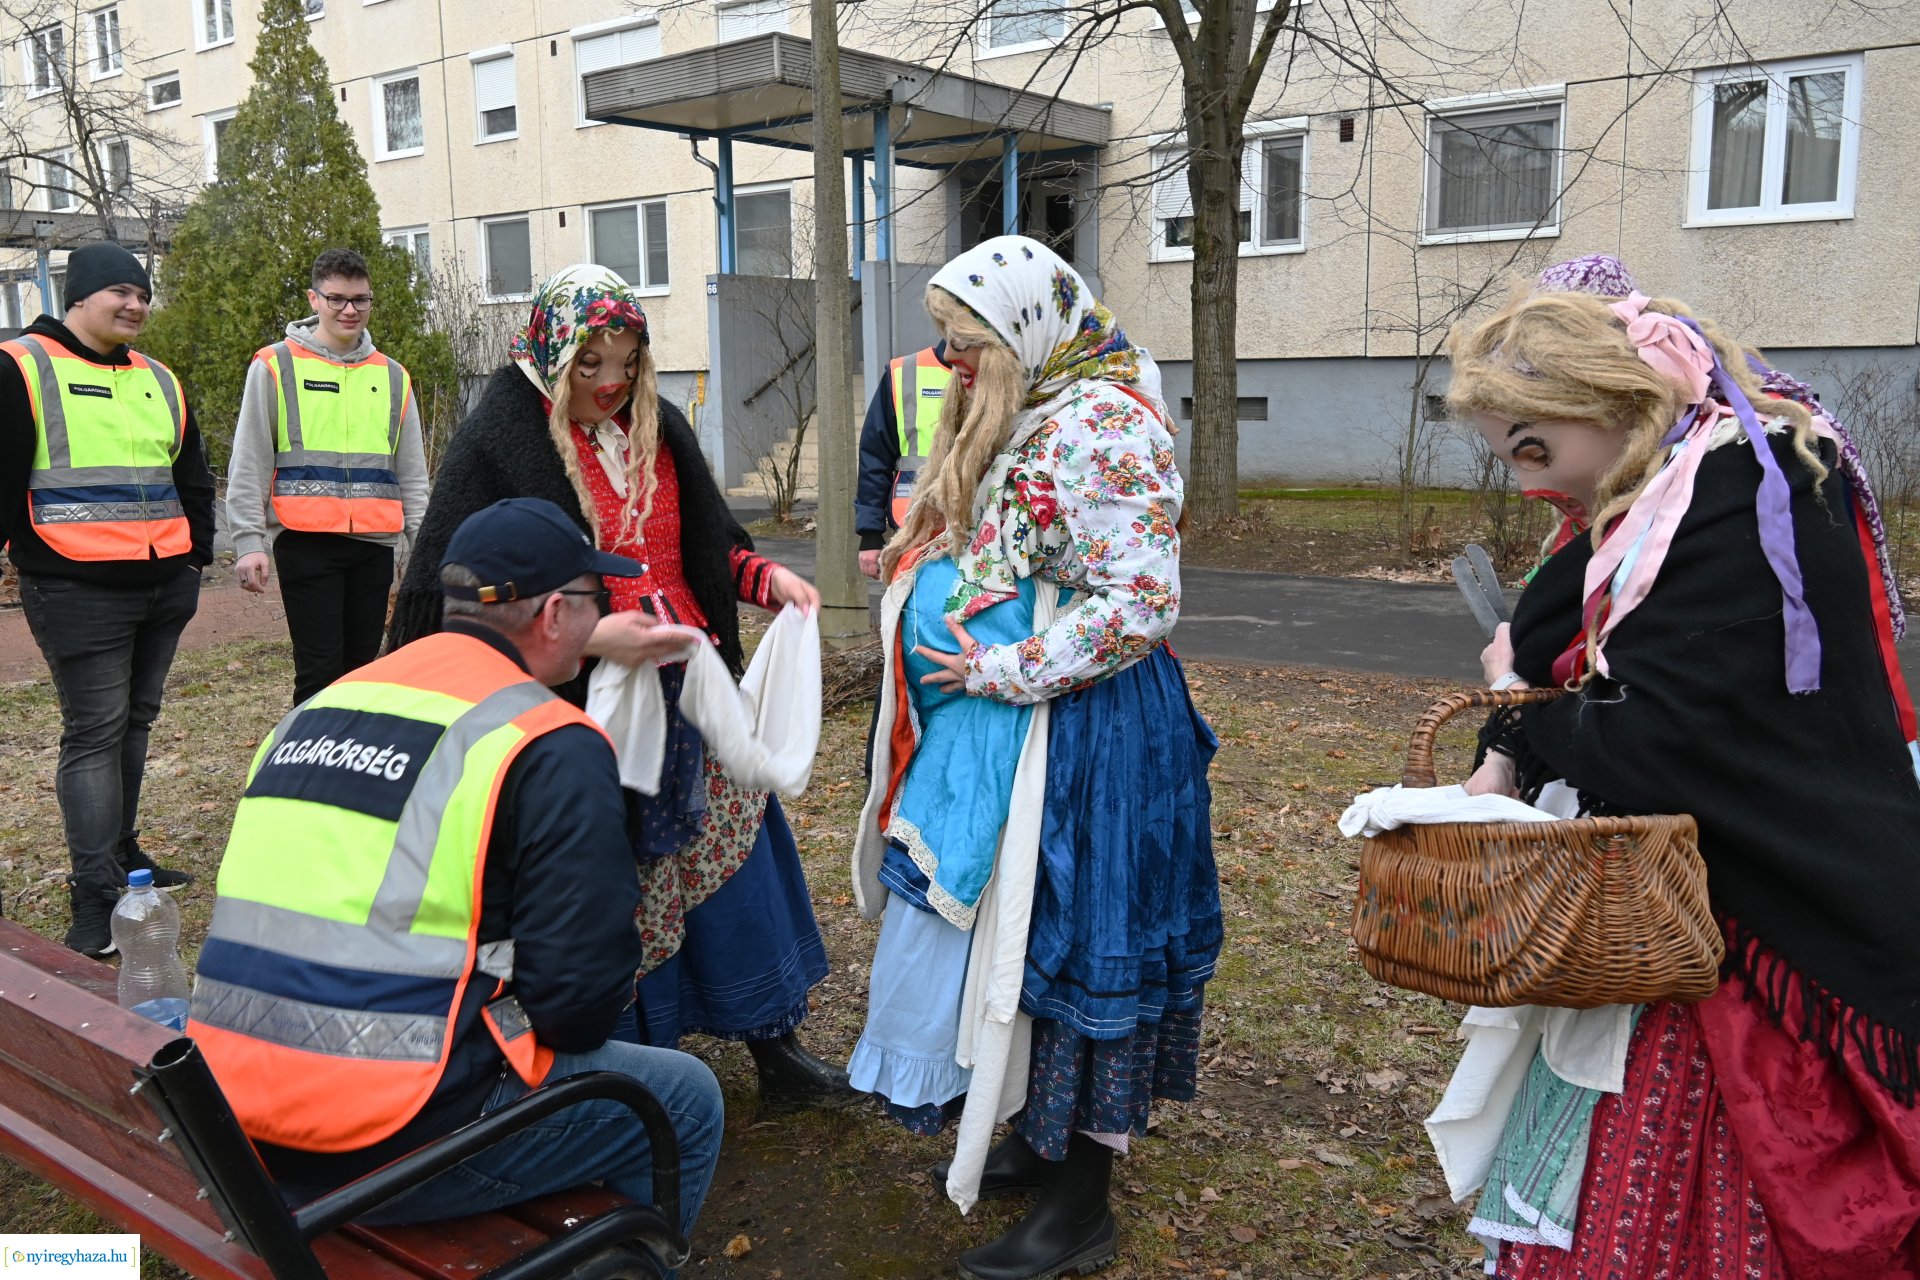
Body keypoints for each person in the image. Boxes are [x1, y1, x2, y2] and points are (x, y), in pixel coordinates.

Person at [1445, 287, 1920, 1276]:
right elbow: (1572, 648)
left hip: (1760, 931)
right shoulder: (1664, 488)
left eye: (1532, 447)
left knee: (1710, 1205)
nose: (1528, 481)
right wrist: (1518, 721)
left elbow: (1661, 740)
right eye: (1507, 456)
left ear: (1607, 399)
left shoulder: (1746, 492)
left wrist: (1519, 706)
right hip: (1674, 903)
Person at [188, 497, 723, 1246]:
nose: (602, 615)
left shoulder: (320, 708)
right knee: (685, 1099)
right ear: (555, 614)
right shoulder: (548, 741)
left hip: (227, 1109)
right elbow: (578, 1010)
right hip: (379, 1137)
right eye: (596, 597)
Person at [388, 264, 855, 1109]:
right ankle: (633, 1075)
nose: (611, 382)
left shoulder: (657, 424)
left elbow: (706, 542)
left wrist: (766, 580)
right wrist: (586, 635)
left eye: (629, 362)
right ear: (551, 355)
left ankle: (774, 1048)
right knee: (621, 890)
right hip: (586, 711)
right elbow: (455, 592)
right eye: (591, 364)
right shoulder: (503, 438)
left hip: (693, 691)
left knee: (737, 863)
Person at [849, 236, 1221, 1280]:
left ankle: (1080, 1204)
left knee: (1081, 938)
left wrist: (1001, 668)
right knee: (1024, 933)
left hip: (1100, 729)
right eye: (943, 340)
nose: (948, 361)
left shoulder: (1106, 424)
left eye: (964, 342)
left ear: (1024, 333)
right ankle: (1037, 1132)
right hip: (1037, 720)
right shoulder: (1044, 405)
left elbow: (1141, 603)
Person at [0, 242, 211, 957]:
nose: (136, 304)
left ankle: (122, 855)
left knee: (134, 725)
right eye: (121, 291)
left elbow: (192, 475)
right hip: (75, 588)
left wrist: (193, 560)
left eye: (143, 294)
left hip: (162, 584)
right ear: (79, 297)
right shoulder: (22, 367)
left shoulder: (158, 377)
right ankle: (94, 898)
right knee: (94, 733)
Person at [228, 247, 428, 704]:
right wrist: (248, 541)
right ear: (314, 299)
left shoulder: (393, 376)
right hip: (306, 543)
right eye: (337, 298)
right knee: (318, 674)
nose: (350, 310)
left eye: (360, 299)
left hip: (373, 546)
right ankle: (308, 750)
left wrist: (425, 549)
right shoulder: (275, 365)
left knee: (362, 673)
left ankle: (350, 749)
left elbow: (413, 475)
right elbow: (250, 460)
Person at [856, 341, 955, 579]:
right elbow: (875, 456)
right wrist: (870, 534)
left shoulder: (1004, 373)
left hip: (986, 533)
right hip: (915, 532)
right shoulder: (904, 372)